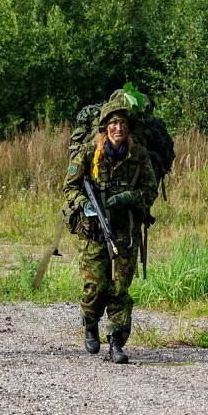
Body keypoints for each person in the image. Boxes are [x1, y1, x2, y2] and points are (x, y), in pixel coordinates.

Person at [63, 96, 158, 363]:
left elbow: (150, 191)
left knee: (119, 290)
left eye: (123, 123)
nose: (119, 128)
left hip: (125, 232)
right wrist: (83, 203)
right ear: (105, 128)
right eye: (114, 123)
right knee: (95, 287)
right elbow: (69, 188)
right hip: (93, 231)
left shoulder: (138, 155)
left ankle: (116, 342)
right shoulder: (88, 153)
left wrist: (130, 198)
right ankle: (90, 322)